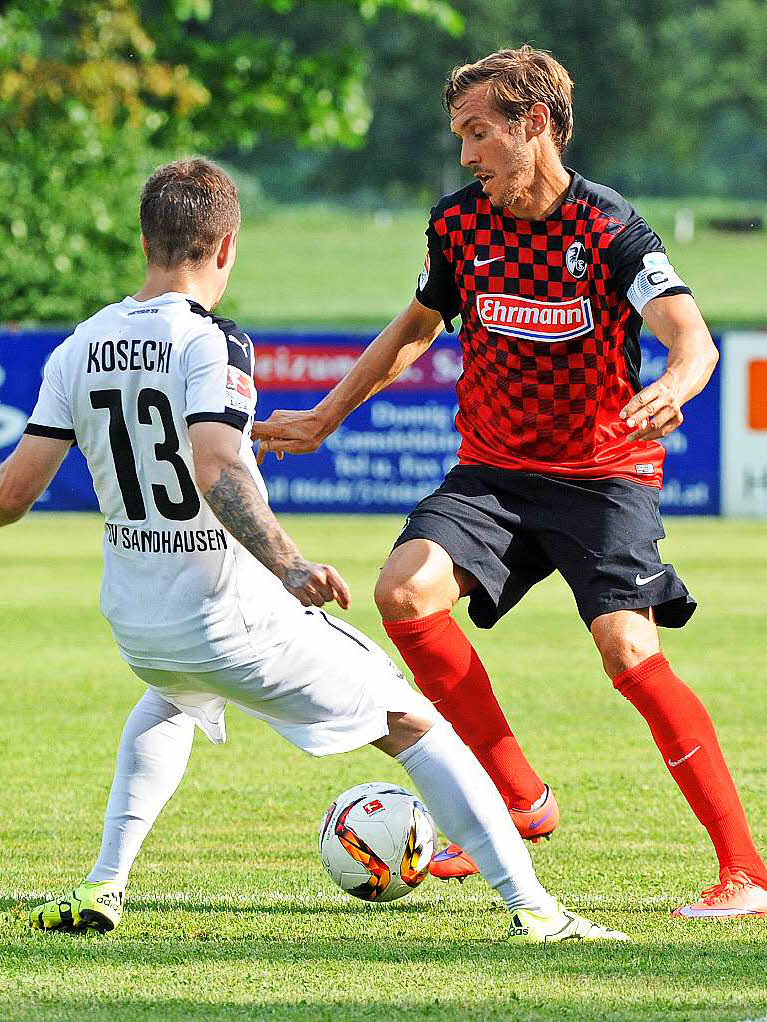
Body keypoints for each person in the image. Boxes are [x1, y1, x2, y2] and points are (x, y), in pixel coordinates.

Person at [0, 158, 627, 943]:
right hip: (224, 617)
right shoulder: (212, 341)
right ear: (225, 245)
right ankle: (538, 912)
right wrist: (289, 563)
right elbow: (218, 464)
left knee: (169, 699)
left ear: (144, 239)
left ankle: (102, 886)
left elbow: (10, 497)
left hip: (138, 624)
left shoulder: (78, 347)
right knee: (412, 722)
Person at [251, 48, 767, 920]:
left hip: (602, 476)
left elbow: (692, 339)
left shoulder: (609, 230)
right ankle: (519, 799)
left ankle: (746, 875)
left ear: (535, 124)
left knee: (627, 653)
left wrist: (672, 389)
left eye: (478, 132)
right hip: (491, 472)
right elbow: (414, 327)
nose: (465, 155)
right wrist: (323, 417)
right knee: (404, 594)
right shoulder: (457, 225)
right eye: (459, 135)